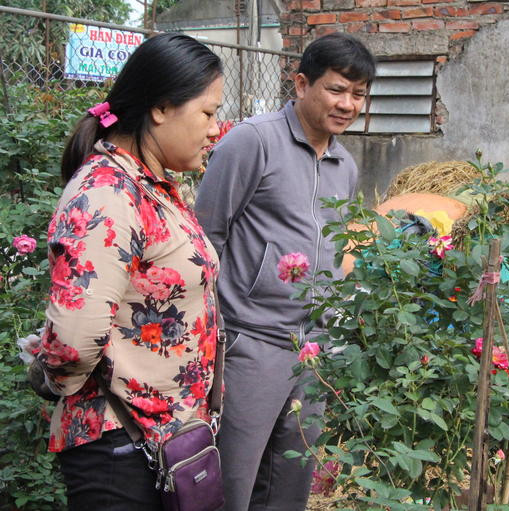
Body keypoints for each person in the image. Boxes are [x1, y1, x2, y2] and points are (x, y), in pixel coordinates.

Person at [34, 32, 224, 510]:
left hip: (162, 439)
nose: (215, 129)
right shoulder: (107, 193)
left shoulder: (150, 186)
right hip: (120, 450)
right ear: (161, 108)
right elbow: (73, 342)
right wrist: (53, 380)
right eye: (207, 112)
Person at [195, 32, 376, 511]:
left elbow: (334, 248)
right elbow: (206, 236)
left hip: (312, 351)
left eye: (359, 94)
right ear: (301, 84)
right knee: (233, 481)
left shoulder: (344, 164)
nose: (348, 104)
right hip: (250, 342)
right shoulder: (253, 141)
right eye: (337, 89)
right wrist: (212, 334)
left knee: (290, 484)